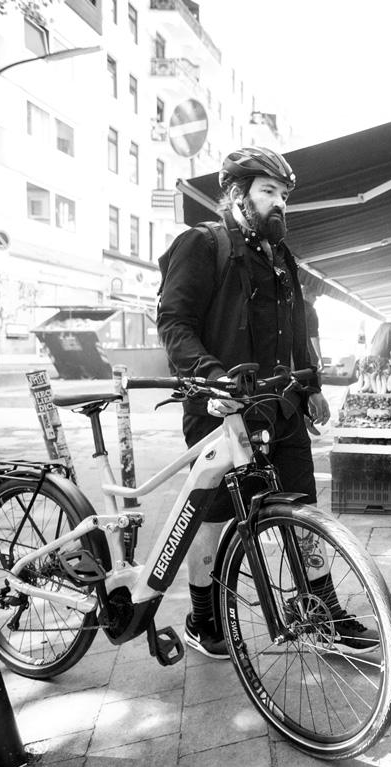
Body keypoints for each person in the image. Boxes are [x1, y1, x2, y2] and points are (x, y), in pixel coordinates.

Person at [157, 145, 378, 659]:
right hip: (222, 415)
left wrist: (313, 386)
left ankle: (318, 612)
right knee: (212, 520)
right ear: (237, 194)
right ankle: (205, 619)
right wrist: (211, 375)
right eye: (268, 192)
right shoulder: (201, 244)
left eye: (284, 196)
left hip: (280, 412)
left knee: (302, 512)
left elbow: (295, 329)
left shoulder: (281, 258)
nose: (279, 204)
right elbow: (175, 323)